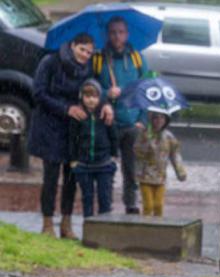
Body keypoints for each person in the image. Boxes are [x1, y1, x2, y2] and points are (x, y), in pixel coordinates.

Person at [28, 32, 114, 239]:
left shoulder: (88, 68)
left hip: (74, 130)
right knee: (50, 177)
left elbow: (92, 93)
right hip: (49, 126)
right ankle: (47, 223)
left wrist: (106, 103)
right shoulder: (50, 62)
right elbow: (38, 93)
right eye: (82, 49)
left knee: (72, 177)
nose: (86, 55)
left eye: (89, 52)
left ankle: (66, 224)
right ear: (72, 45)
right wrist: (66, 108)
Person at [94, 16, 149, 214]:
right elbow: (89, 89)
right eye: (113, 32)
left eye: (121, 32)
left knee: (131, 168)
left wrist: (142, 120)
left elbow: (147, 89)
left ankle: (131, 203)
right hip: (107, 122)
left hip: (132, 123)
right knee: (105, 167)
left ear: (127, 34)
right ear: (108, 35)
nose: (117, 36)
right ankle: (105, 203)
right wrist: (106, 94)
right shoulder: (99, 59)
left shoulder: (137, 58)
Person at [68, 79, 118, 218]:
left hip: (104, 163)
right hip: (84, 164)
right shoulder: (78, 116)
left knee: (105, 198)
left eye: (95, 97)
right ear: (82, 97)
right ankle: (88, 228)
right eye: (87, 96)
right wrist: (73, 160)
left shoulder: (105, 114)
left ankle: (105, 229)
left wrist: (114, 155)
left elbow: (113, 135)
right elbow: (72, 139)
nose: (91, 100)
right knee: (87, 198)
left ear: (100, 97)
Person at [133, 109, 187, 216]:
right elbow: (137, 152)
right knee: (148, 205)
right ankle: (146, 225)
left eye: (162, 118)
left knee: (158, 205)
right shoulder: (144, 134)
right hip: (145, 176)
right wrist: (146, 142)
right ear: (151, 119)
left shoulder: (168, 137)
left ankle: (158, 228)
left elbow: (175, 154)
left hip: (160, 177)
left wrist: (180, 171)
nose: (159, 121)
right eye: (156, 118)